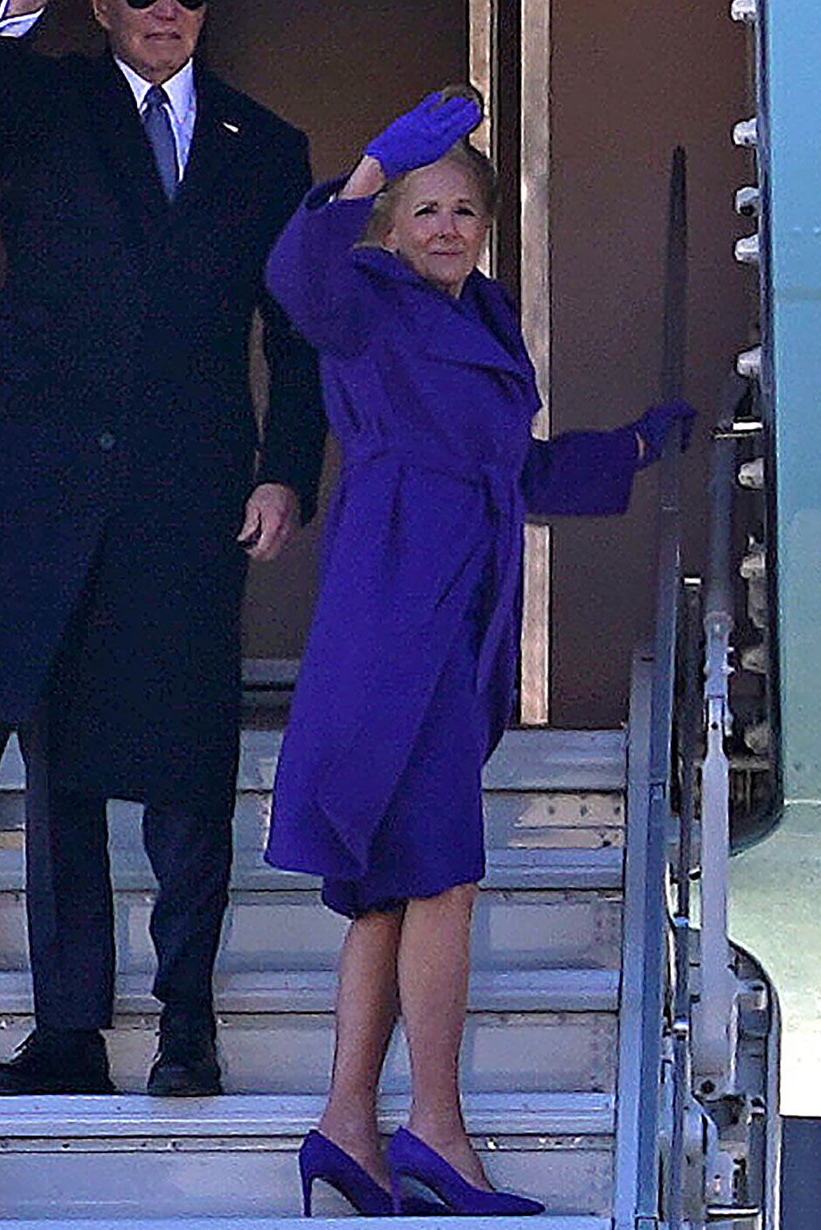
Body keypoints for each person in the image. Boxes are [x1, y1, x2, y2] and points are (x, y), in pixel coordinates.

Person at [0, 0, 326, 1100]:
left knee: (189, 760)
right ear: (104, 2)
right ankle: (70, 1030)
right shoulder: (50, 107)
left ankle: (186, 1019)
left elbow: (292, 331)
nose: (166, 15)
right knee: (62, 767)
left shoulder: (264, 143)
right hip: (47, 483)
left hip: (189, 486)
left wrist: (287, 467)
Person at [262, 89, 692, 1217]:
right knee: (440, 875)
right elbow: (294, 278)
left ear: (484, 228)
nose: (445, 227)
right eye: (424, 209)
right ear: (394, 226)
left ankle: (346, 1125)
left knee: (389, 892)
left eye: (463, 210)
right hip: (397, 600)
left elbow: (515, 471)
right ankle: (436, 1132)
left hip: (457, 609)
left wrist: (635, 445)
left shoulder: (486, 317)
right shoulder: (364, 295)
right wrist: (363, 168)